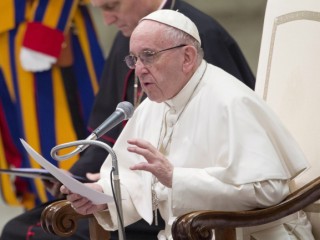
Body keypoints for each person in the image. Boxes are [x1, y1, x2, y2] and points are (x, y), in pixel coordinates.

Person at [1, 0, 256, 239]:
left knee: (31, 234)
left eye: (112, 6)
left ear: (189, 57)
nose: (108, 20)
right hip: (129, 190)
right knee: (19, 227)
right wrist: (76, 179)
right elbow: (112, 133)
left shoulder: (200, 38)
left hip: (177, 200)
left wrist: (158, 178)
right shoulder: (131, 38)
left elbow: (224, 154)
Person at [61, 10, 314, 240]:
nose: (138, 70)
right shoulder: (154, 105)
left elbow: (268, 190)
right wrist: (100, 195)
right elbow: (137, 180)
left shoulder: (231, 101)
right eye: (134, 59)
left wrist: (176, 178)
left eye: (148, 56)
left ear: (187, 57)